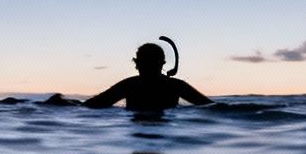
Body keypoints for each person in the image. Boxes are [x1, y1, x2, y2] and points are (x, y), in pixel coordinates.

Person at [80, 43, 212, 115]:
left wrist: (69, 103)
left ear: (136, 64)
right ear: (163, 64)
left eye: (150, 62)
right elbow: (211, 106)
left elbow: (93, 104)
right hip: (167, 129)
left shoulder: (129, 85)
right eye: (146, 62)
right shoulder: (176, 85)